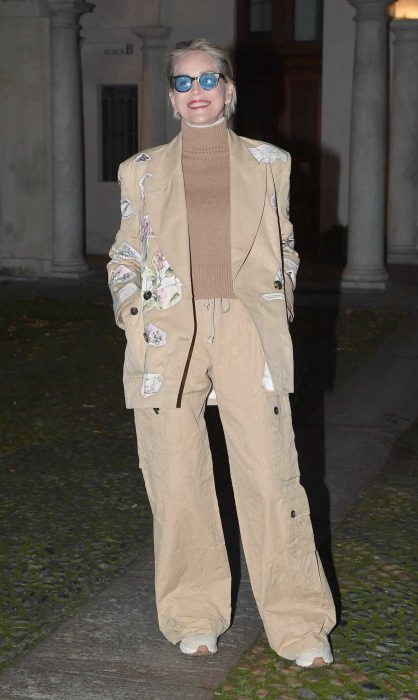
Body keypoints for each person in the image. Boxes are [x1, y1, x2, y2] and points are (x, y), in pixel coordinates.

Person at [107, 38, 336, 667]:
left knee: (270, 474)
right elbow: (124, 254)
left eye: (209, 79)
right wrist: (135, 313)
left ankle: (298, 622)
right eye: (184, 82)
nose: (198, 90)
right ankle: (193, 612)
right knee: (176, 476)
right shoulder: (142, 170)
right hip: (168, 334)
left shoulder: (270, 162)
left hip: (244, 329)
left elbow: (284, 245)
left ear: (229, 90)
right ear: (173, 98)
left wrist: (274, 307)